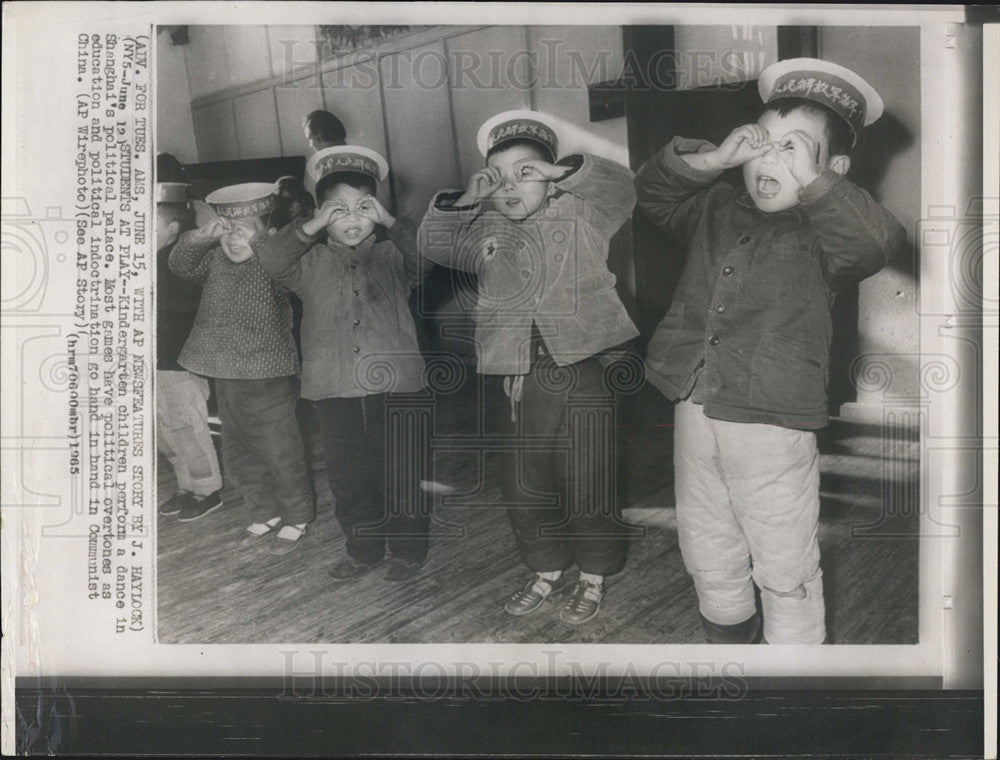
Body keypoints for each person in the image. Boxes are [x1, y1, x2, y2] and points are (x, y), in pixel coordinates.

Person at [634, 58, 907, 644]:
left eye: (794, 149)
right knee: (707, 537)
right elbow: (652, 193)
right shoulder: (714, 207)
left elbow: (877, 243)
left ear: (832, 169)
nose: (769, 161)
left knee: (782, 556)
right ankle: (729, 642)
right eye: (760, 144)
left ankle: (792, 674)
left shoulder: (829, 235)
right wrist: (712, 160)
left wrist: (816, 185)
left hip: (773, 419)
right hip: (694, 400)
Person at [419, 110, 639, 624]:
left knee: (590, 478)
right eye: (498, 177)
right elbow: (432, 244)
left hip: (584, 366)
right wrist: (469, 200)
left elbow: (621, 190)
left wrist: (565, 173)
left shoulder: (584, 212)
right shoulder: (485, 226)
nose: (512, 186)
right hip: (515, 374)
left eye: (527, 172)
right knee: (523, 480)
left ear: (551, 175)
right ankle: (545, 569)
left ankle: (593, 575)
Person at [256, 146, 432, 582]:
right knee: (348, 477)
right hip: (333, 388)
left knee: (402, 472)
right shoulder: (306, 262)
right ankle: (363, 549)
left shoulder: (394, 257)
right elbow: (270, 259)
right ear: (319, 214)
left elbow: (429, 261)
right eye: (338, 211)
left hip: (397, 387)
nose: (352, 219)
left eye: (364, 208)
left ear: (378, 210)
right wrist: (311, 225)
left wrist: (392, 221)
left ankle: (408, 549)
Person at [168, 183, 316, 552]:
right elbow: (179, 264)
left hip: (267, 372)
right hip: (225, 370)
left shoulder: (275, 264)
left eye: (245, 232)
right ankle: (264, 510)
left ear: (268, 234)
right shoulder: (214, 261)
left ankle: (297, 515)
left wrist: (264, 244)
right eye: (227, 231)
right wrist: (203, 236)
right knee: (237, 450)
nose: (234, 240)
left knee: (280, 449)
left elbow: (284, 257)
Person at [154, 172, 224, 519]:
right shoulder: (148, 263)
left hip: (178, 364)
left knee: (187, 427)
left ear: (172, 232)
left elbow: (185, 310)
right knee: (166, 430)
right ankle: (186, 484)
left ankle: (207, 489)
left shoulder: (175, 264)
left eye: (149, 226)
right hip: (156, 364)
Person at [302, 110, 347, 203]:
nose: (311, 145)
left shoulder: (331, 162)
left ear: (320, 135)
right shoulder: (351, 156)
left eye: (310, 138)